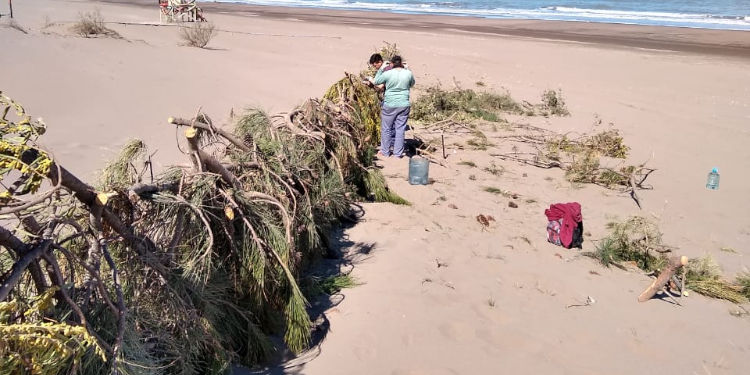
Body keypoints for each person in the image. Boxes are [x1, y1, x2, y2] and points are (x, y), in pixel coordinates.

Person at [373, 55, 414, 158]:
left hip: (390, 104)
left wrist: (381, 69)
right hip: (404, 104)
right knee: (400, 129)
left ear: (391, 64)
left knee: (386, 128)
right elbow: (412, 83)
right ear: (401, 63)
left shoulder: (388, 73)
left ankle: (385, 152)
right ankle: (398, 153)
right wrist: (407, 69)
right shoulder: (408, 73)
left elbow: (377, 81)